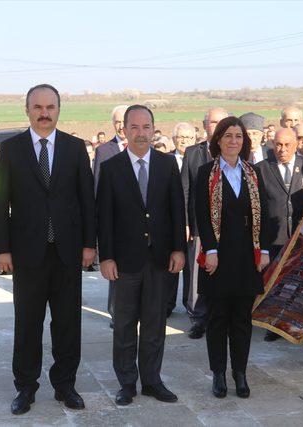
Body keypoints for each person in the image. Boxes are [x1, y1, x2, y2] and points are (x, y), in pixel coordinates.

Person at [0, 84, 96, 414]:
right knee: (27, 323)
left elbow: (86, 201)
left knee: (67, 323)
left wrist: (88, 244)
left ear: (58, 110)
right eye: (37, 107)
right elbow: (0, 203)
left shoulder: (75, 147)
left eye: (50, 107)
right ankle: (25, 387)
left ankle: (65, 384)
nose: (44, 113)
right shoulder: (10, 149)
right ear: (27, 110)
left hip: (67, 252)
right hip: (27, 253)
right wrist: (3, 249)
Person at [97, 105, 186, 406]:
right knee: (123, 325)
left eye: (146, 127)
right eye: (134, 127)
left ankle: (152, 380)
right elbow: (104, 217)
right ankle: (126, 383)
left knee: (154, 324)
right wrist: (106, 257)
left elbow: (177, 210)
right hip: (124, 261)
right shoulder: (112, 167)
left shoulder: (167, 164)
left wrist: (178, 249)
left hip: (160, 258)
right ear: (124, 130)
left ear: (153, 129)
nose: (140, 133)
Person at [195, 116, 271, 398]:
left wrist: (263, 250)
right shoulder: (206, 172)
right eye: (228, 136)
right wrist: (210, 250)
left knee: (241, 319)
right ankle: (218, 374)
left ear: (244, 141)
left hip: (246, 257)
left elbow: (263, 213)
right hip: (218, 256)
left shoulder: (253, 173)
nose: (233, 141)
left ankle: (240, 373)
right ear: (218, 140)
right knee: (217, 318)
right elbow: (202, 213)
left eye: (238, 136)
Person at [253, 128, 303, 342]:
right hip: (274, 236)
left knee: (301, 281)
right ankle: (274, 325)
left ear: (295, 144)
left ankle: (298, 324)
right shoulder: (261, 169)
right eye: (278, 145)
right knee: (276, 282)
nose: (282, 150)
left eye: (286, 145)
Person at [181, 107, 229, 339]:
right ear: (204, 125)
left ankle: (220, 316)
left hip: (228, 227)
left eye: (222, 122)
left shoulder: (233, 152)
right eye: (213, 122)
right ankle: (198, 318)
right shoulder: (192, 153)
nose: (217, 126)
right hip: (199, 224)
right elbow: (184, 190)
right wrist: (185, 222)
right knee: (197, 273)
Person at [92, 105, 129, 326]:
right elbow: (98, 187)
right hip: (114, 221)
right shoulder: (104, 151)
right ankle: (117, 312)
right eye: (117, 122)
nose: (122, 126)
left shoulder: (144, 148)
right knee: (115, 270)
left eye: (125, 121)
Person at [166, 122, 196, 316]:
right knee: (170, 265)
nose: (184, 141)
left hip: (191, 222)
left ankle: (189, 303)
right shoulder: (164, 160)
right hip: (168, 222)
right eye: (180, 137)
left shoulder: (197, 159)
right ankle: (167, 304)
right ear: (174, 139)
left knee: (191, 268)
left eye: (188, 137)